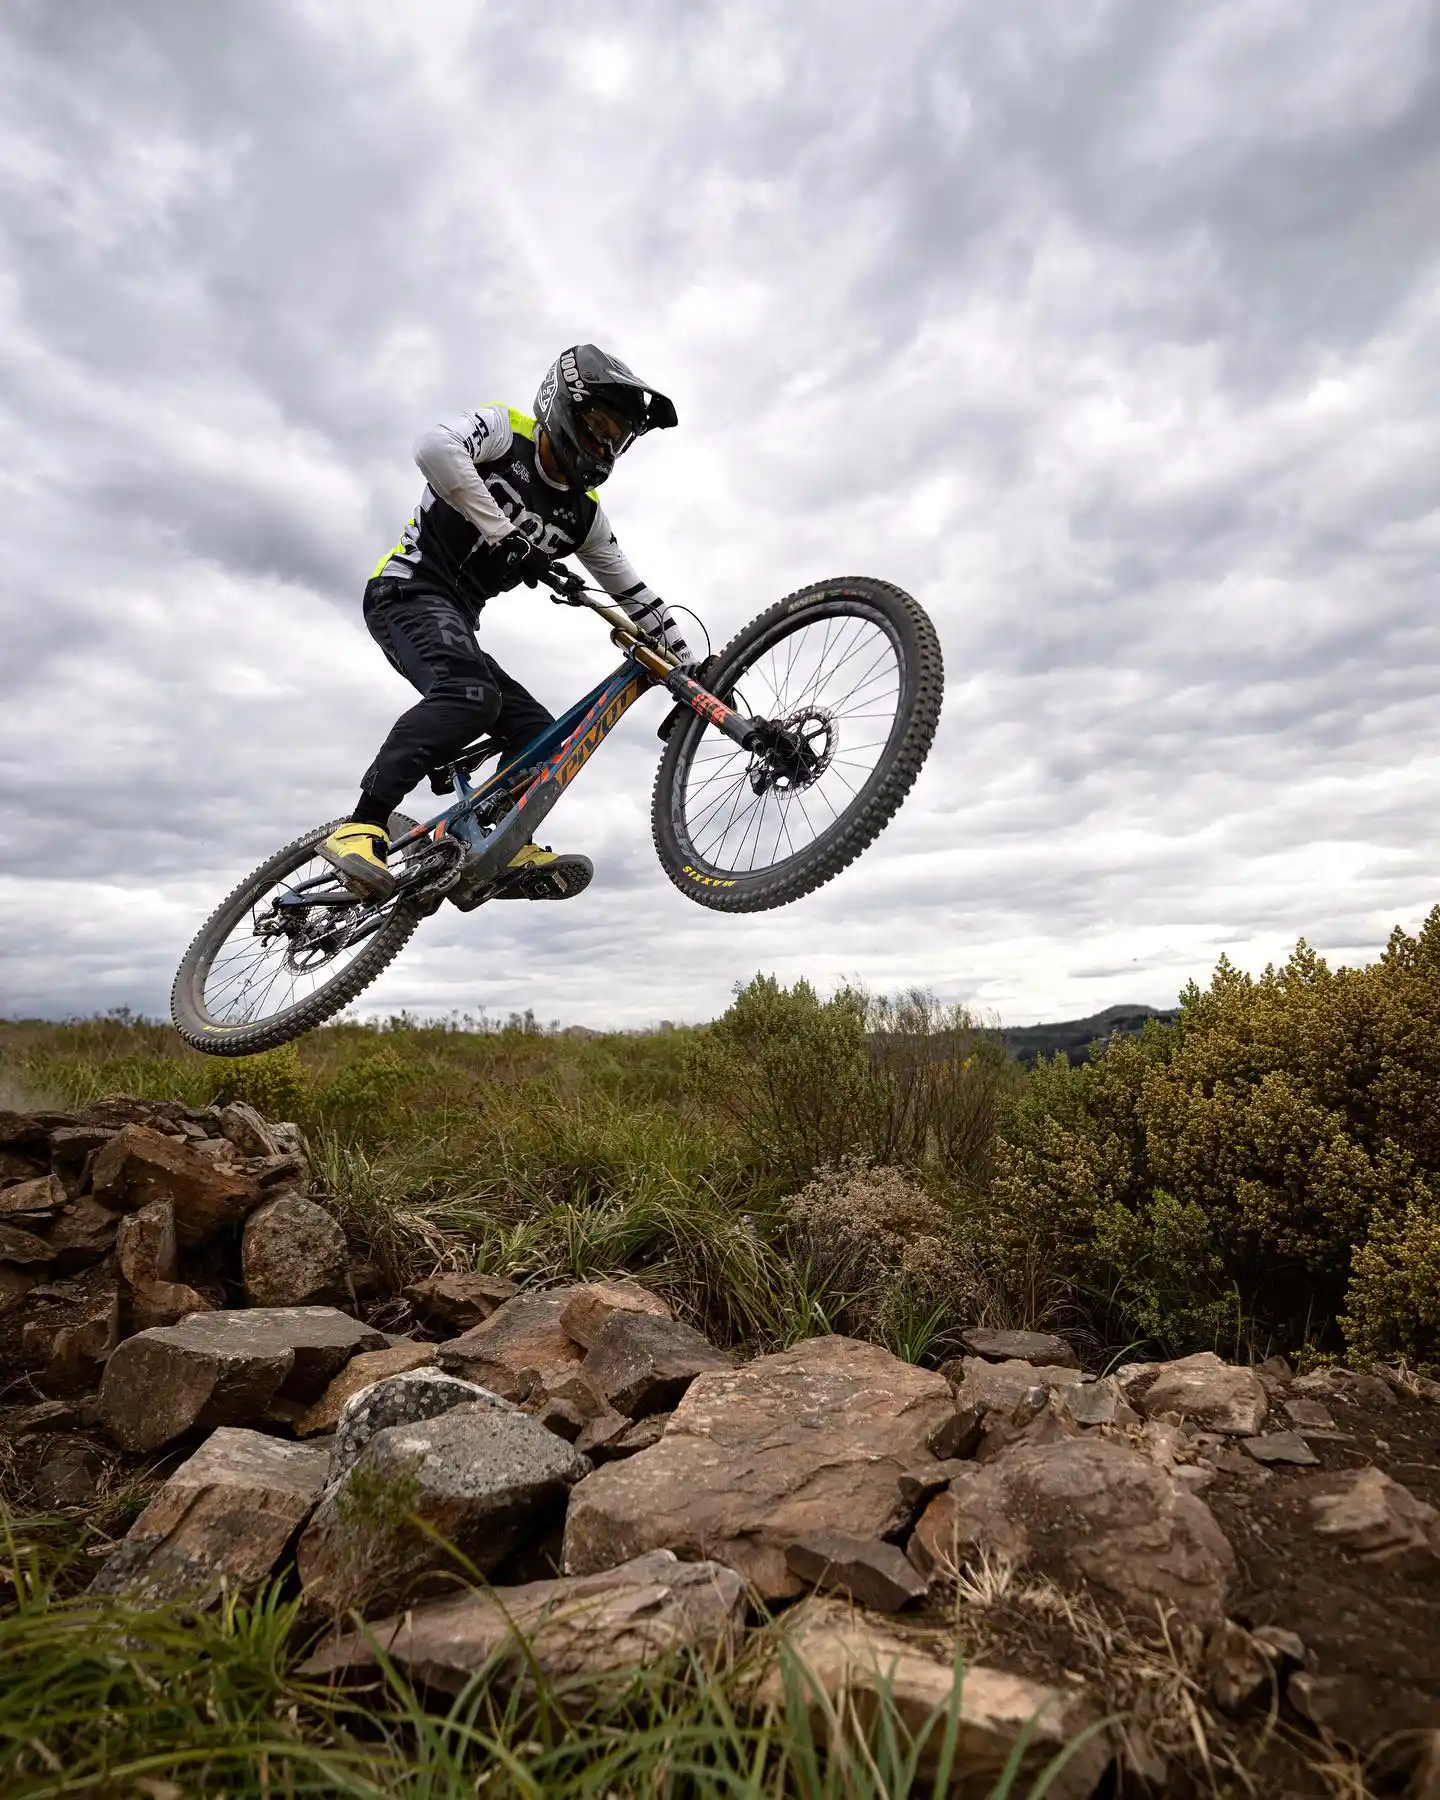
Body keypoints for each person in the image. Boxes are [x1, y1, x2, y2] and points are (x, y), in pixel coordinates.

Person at [320, 345, 695, 904]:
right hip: (406, 591)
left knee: (541, 733)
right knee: (471, 696)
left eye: (616, 438)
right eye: (597, 425)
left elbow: (635, 594)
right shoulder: (505, 431)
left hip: (457, 622)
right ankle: (361, 826)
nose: (603, 444)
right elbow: (433, 449)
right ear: (566, 405)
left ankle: (491, 843)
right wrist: (502, 531)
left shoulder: (585, 517)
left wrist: (693, 671)